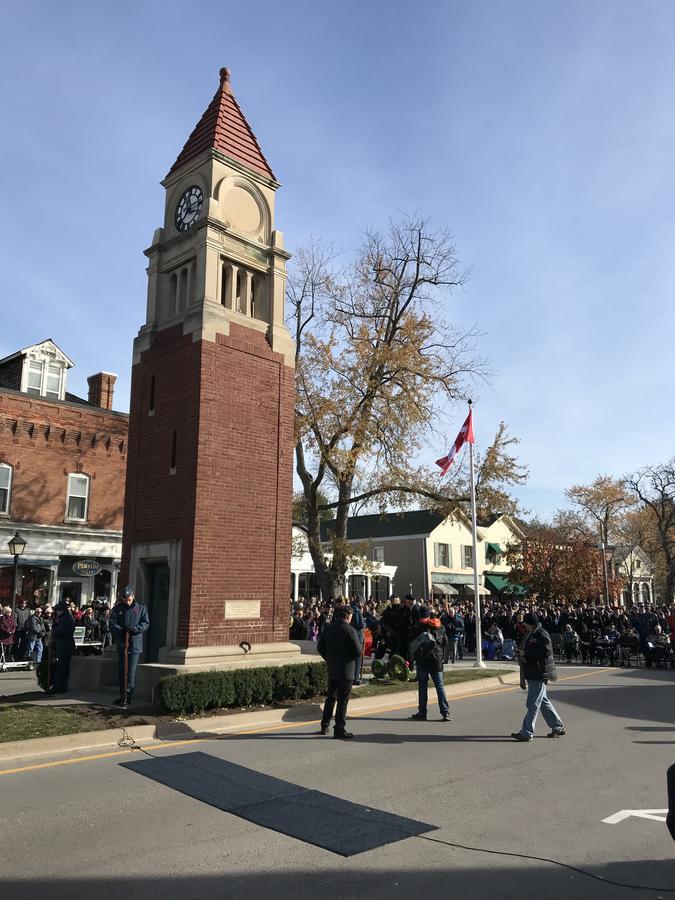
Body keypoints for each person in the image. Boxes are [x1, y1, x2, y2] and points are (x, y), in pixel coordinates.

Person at [511, 611, 565, 742]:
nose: (523, 625)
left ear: (530, 624)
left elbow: (545, 652)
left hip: (539, 673)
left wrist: (526, 653)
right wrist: (522, 652)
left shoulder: (542, 634)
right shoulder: (531, 634)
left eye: (525, 623)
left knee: (532, 703)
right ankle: (557, 726)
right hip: (533, 672)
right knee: (543, 702)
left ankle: (526, 732)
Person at [317, 605, 362, 740]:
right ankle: (339, 728)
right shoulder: (350, 630)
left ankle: (325, 725)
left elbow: (320, 647)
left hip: (333, 668)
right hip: (347, 669)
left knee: (331, 698)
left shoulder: (329, 629)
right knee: (343, 700)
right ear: (348, 616)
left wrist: (329, 658)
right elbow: (358, 651)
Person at [409, 606, 450, 722]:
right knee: (439, 686)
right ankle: (445, 712)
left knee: (422, 686)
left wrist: (411, 661)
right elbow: (445, 642)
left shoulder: (416, 627)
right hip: (436, 660)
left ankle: (422, 712)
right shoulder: (439, 626)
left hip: (422, 661)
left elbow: (411, 645)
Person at [109, 586, 150, 706]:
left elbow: (145, 623)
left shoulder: (141, 608)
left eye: (129, 599)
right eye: (125, 599)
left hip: (134, 645)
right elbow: (112, 623)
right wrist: (121, 631)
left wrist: (134, 629)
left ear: (133, 597)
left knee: (130, 672)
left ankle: (128, 695)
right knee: (122, 672)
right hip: (122, 644)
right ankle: (122, 695)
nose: (127, 601)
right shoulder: (117, 609)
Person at [51, 600, 76, 693]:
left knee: (62, 668)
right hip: (64, 645)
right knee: (62, 667)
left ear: (61, 610)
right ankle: (60, 687)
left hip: (65, 646)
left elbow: (61, 632)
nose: (56, 612)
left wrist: (54, 627)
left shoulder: (66, 619)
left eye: (57, 610)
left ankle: (59, 687)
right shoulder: (66, 618)